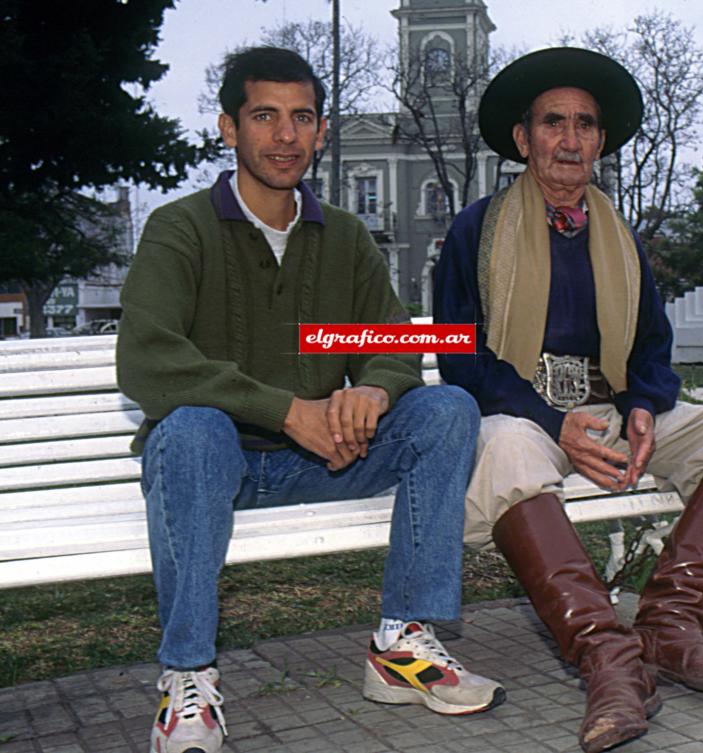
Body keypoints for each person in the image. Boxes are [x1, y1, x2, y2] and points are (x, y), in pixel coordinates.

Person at [118, 47, 503, 753]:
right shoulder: (181, 228)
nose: (285, 135)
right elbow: (148, 359)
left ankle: (402, 643)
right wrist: (288, 409)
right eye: (265, 116)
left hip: (322, 458)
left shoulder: (344, 236)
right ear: (229, 128)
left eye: (302, 118)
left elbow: (387, 341)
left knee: (447, 411)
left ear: (322, 131)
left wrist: (376, 393)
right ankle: (187, 678)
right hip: (213, 465)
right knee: (194, 427)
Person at [434, 48, 703, 753]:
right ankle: (609, 663)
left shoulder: (619, 235)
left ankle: (670, 628)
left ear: (599, 141)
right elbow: (460, 356)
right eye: (553, 122)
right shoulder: (475, 231)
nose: (569, 139)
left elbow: (653, 346)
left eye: (585, 125)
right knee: (502, 445)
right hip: (528, 417)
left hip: (614, 416)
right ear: (524, 138)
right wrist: (555, 423)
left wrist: (650, 405)